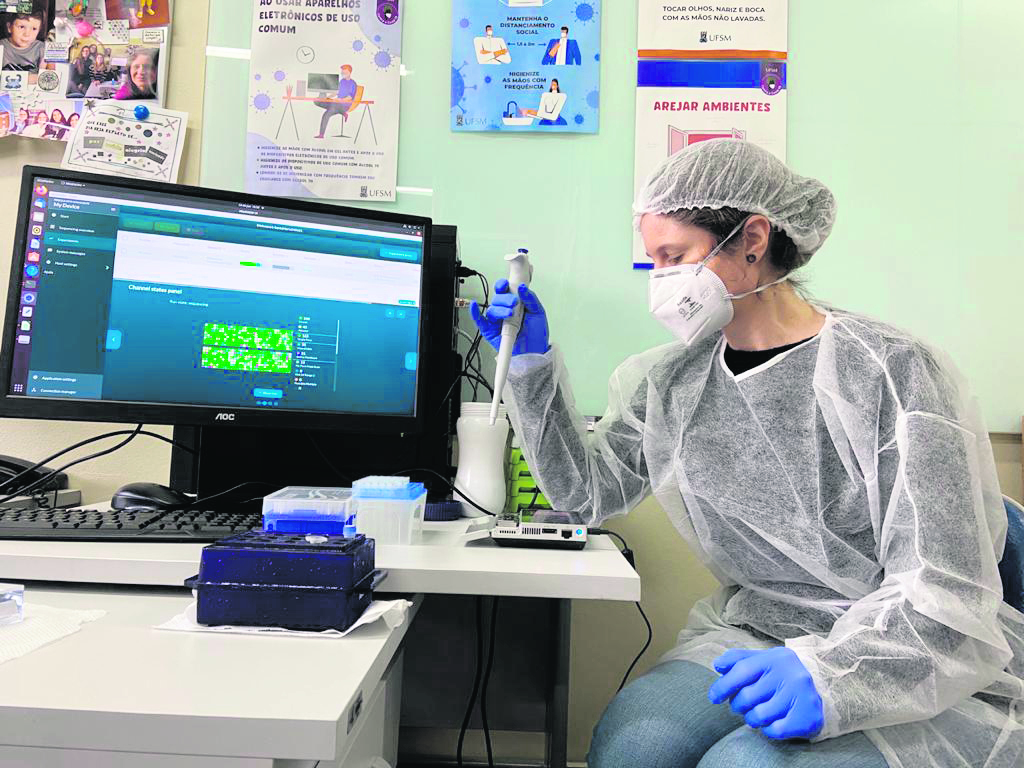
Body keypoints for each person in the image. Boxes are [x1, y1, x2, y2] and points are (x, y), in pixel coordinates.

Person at [472, 138, 1024, 768]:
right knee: (638, 748)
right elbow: (586, 493)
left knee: (743, 765)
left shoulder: (890, 370)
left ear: (752, 239)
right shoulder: (673, 381)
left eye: (674, 257)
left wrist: (840, 676)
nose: (662, 282)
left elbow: (947, 586)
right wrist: (532, 365)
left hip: (895, 648)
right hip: (754, 631)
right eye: (654, 262)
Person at [314, 64, 357, 139]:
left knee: (327, 114)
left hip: (345, 105)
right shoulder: (342, 81)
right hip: (336, 103)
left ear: (349, 73)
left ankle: (321, 135)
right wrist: (327, 97)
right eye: (342, 73)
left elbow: (350, 97)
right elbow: (337, 92)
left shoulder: (353, 84)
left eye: (344, 73)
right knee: (317, 101)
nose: (343, 74)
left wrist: (340, 100)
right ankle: (343, 113)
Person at [1, 8, 46, 73]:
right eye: (21, 27)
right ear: (9, 27)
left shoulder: (42, 48)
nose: (27, 34)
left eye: (34, 29)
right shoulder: (2, 47)